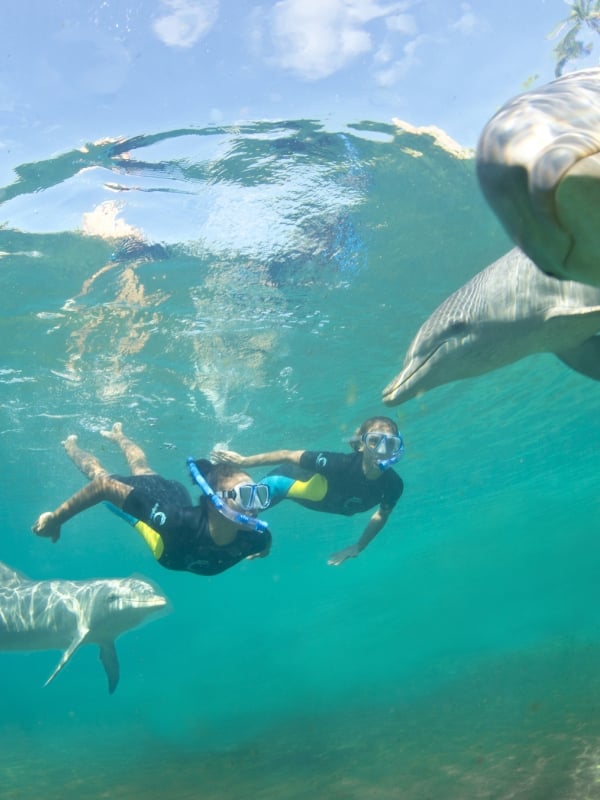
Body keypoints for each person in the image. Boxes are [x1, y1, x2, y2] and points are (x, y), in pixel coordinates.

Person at [32, 423, 272, 577]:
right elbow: (103, 488)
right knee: (99, 475)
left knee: (142, 467)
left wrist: (263, 551)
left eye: (259, 495)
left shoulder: (257, 538)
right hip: (164, 525)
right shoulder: (175, 523)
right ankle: (71, 446)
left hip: (174, 498)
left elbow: (265, 544)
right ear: (214, 500)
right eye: (245, 496)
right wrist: (56, 519)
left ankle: (119, 435)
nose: (254, 507)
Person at [211, 416, 404, 566]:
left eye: (390, 444)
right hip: (285, 482)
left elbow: (382, 514)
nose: (382, 451)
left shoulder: (394, 485)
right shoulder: (338, 464)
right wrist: (244, 462)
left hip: (319, 498)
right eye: (374, 441)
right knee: (233, 511)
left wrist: (359, 546)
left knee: (243, 525)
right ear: (361, 445)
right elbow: (288, 455)